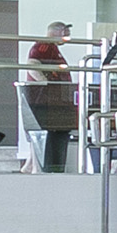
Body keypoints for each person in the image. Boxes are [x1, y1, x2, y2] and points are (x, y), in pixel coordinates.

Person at [23, 23, 78, 173]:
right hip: (44, 99)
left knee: (42, 131)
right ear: (58, 32)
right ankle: (35, 167)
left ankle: (30, 165)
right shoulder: (44, 46)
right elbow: (32, 65)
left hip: (52, 98)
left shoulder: (52, 48)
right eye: (66, 33)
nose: (67, 37)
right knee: (41, 130)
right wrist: (46, 84)